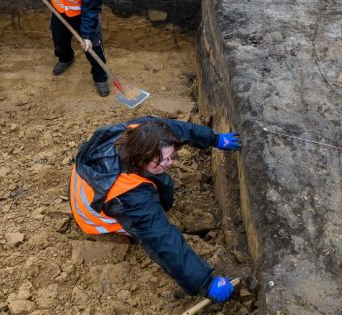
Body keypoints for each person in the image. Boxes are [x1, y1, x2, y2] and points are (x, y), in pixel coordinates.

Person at [70, 117, 242, 303]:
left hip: (89, 180)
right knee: (149, 226)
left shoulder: (139, 131)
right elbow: (162, 239)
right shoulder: (130, 196)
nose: (170, 163)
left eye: (171, 156)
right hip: (94, 215)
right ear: (141, 158)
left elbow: (178, 129)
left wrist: (214, 139)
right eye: (162, 161)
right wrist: (204, 282)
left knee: (160, 184)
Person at [26, 0, 109, 96]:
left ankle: (100, 77)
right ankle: (65, 59)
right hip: (59, 12)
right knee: (59, 40)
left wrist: (87, 35)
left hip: (81, 16)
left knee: (93, 47)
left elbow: (90, 9)